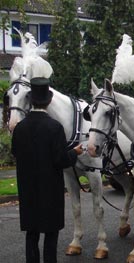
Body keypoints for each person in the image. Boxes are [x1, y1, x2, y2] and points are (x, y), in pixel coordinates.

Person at [11, 77, 83, 263]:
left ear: (30, 101)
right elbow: (61, 161)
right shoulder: (55, 128)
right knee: (51, 236)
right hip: (50, 191)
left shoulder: (19, 129)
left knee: (31, 235)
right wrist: (75, 152)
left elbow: (16, 153)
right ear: (49, 101)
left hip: (28, 191)